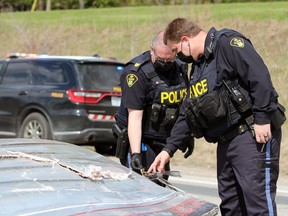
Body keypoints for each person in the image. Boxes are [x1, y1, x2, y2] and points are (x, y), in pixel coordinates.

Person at [148, 18, 286, 215]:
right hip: (226, 142)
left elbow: (260, 77)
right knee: (230, 205)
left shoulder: (228, 44)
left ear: (186, 39)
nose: (179, 58)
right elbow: (189, 111)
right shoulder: (199, 67)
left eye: (177, 51)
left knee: (257, 204)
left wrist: (262, 119)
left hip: (251, 135)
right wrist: (168, 149)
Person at [113, 31, 194, 178]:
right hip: (141, 139)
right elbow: (135, 118)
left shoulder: (179, 67)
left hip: (164, 140)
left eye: (170, 60)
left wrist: (186, 136)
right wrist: (136, 153)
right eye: (161, 60)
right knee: (145, 185)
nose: (165, 65)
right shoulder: (137, 74)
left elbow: (182, 106)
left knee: (161, 181)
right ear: (152, 49)